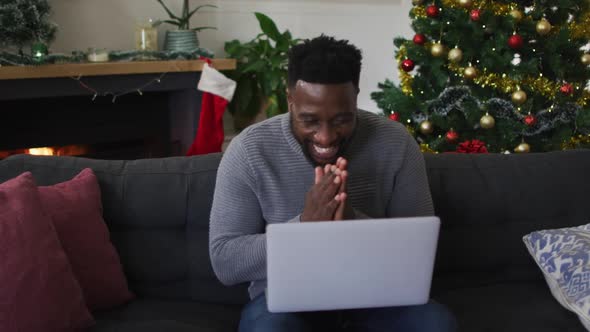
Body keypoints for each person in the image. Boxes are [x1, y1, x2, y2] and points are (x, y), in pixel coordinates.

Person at [209, 35, 456, 332]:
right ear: (290, 101)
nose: (325, 138)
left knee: (436, 324)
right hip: (286, 303)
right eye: (309, 120)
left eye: (341, 119)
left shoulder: (396, 143)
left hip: (376, 295)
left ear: (355, 98)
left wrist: (351, 221)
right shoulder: (249, 150)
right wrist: (305, 225)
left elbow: (420, 251)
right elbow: (226, 262)